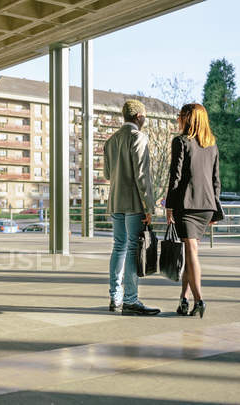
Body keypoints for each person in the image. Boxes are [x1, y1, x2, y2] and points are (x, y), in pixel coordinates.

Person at [103, 100, 160, 316]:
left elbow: (108, 175)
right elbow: (142, 176)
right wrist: (149, 206)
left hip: (115, 201)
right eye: (145, 116)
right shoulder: (138, 137)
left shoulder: (111, 141)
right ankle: (131, 299)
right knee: (133, 248)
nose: (145, 120)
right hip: (134, 202)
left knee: (119, 247)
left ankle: (115, 297)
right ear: (138, 116)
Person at [165, 103, 221, 319]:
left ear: (188, 119)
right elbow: (216, 181)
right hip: (206, 205)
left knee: (192, 252)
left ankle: (199, 300)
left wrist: (169, 206)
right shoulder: (212, 145)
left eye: (181, 115)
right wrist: (214, 209)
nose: (179, 118)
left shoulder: (180, 142)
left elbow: (175, 177)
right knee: (190, 253)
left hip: (186, 205)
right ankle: (183, 300)